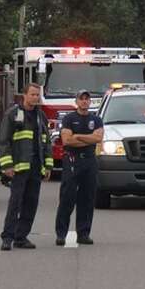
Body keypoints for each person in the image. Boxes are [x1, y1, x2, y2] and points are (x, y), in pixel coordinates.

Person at [0, 83, 53, 251]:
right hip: (19, 168)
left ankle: (21, 237)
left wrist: (48, 165)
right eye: (33, 94)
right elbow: (4, 141)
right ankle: (7, 237)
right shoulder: (13, 114)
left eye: (38, 95)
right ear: (25, 95)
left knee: (31, 203)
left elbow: (46, 141)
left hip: (36, 167)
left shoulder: (40, 116)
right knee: (15, 203)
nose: (36, 98)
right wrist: (7, 165)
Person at [54, 90, 104, 246]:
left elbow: (98, 138)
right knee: (67, 197)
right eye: (81, 99)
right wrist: (87, 139)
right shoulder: (69, 119)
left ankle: (83, 233)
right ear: (76, 101)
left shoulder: (96, 120)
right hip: (72, 160)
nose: (84, 102)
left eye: (86, 99)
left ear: (90, 102)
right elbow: (67, 141)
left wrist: (78, 136)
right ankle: (61, 234)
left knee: (87, 198)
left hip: (89, 161)